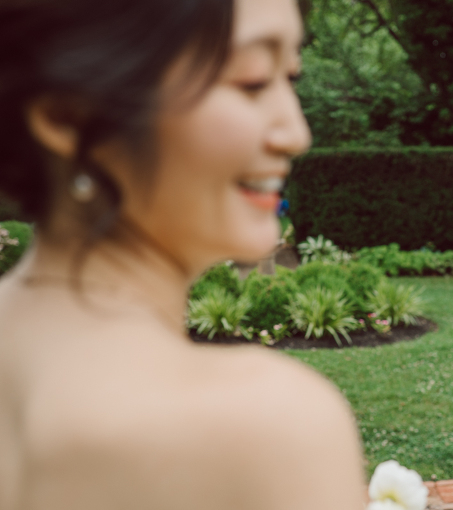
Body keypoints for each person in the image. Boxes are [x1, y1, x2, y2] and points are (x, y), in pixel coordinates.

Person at [0, 1, 366, 509]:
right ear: (69, 117)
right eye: (252, 80)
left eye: (292, 77)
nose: (296, 134)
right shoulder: (265, 427)